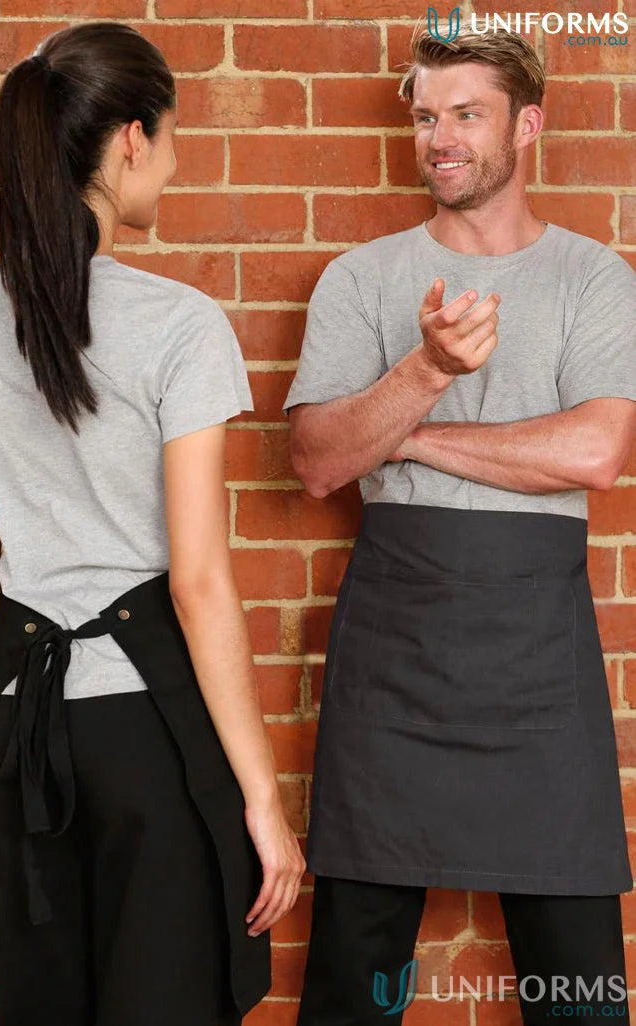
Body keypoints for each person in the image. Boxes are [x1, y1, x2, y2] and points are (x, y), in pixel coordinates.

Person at [0, 20, 305, 1026]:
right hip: (146, 729)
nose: (173, 167)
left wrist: (17, 692)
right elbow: (197, 582)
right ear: (132, 139)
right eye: (175, 140)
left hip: (24, 725)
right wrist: (264, 805)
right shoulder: (180, 327)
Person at [284, 24, 636, 1026]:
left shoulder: (591, 278)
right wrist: (429, 372)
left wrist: (404, 434)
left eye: (464, 114)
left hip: (538, 659)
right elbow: (315, 462)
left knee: (577, 993)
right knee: (354, 984)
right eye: (424, 115)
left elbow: (594, 454)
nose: (438, 136)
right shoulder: (362, 279)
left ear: (524, 126)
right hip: (393, 654)